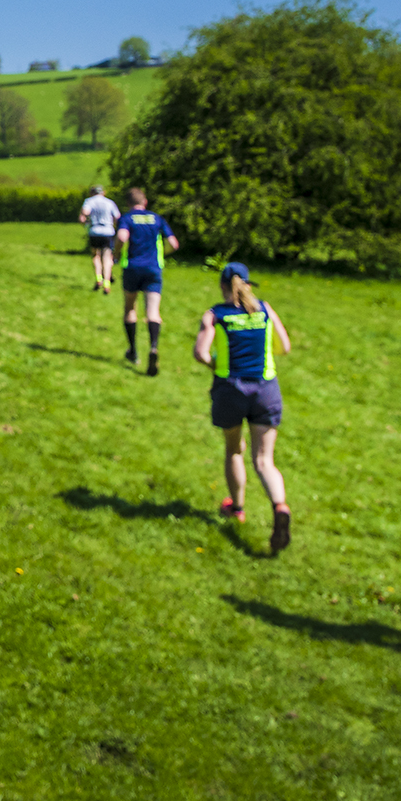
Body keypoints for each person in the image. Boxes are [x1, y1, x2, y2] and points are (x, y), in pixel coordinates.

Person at [193, 262, 296, 552]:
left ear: (222, 286)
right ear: (248, 284)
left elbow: (200, 353)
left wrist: (216, 364)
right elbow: (284, 347)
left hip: (231, 389)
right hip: (266, 390)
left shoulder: (215, 315)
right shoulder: (264, 309)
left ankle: (237, 507)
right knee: (264, 460)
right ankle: (280, 507)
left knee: (234, 449)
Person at [113, 188, 179, 373]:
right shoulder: (157, 218)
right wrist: (162, 256)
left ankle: (133, 351)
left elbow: (121, 236)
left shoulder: (127, 218)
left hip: (132, 267)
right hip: (153, 269)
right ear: (145, 202)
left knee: (130, 308)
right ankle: (154, 347)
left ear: (128, 203)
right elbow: (174, 244)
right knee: (153, 312)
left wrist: (116, 254)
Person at [78, 184, 122, 293]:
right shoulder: (109, 202)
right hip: (108, 231)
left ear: (92, 193)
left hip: (95, 230)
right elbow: (117, 217)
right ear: (103, 192)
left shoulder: (89, 201)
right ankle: (107, 282)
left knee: (95, 256)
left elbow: (85, 213)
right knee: (107, 257)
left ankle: (98, 278)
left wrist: (84, 221)